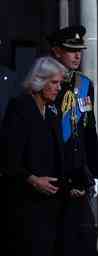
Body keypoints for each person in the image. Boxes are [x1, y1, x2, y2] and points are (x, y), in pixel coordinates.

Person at [1, 56, 66, 256]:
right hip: (26, 202)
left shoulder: (52, 111)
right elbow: (7, 158)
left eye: (60, 83)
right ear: (39, 80)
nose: (58, 88)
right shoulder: (20, 107)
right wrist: (32, 180)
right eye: (54, 82)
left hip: (51, 202)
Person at [47, 25, 98, 256]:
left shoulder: (84, 84)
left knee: (82, 237)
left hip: (79, 172)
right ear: (56, 51)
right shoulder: (46, 82)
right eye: (71, 50)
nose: (78, 55)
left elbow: (89, 128)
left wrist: (97, 171)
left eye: (80, 50)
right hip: (52, 170)